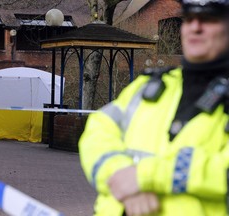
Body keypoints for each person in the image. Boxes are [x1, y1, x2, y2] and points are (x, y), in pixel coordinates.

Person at [78, 0, 229, 215]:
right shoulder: (148, 88)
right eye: (189, 18)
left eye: (209, 19)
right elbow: (98, 132)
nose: (195, 27)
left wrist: (144, 178)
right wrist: (121, 176)